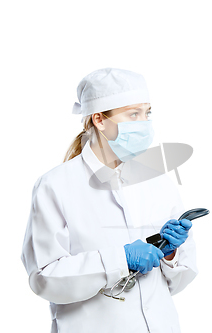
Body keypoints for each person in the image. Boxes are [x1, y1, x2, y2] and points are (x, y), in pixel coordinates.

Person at [20, 68, 198, 333]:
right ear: (99, 119)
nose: (145, 123)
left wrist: (170, 254)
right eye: (133, 114)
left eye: (147, 113)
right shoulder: (55, 186)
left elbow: (179, 282)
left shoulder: (157, 181)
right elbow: (44, 278)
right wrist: (120, 259)